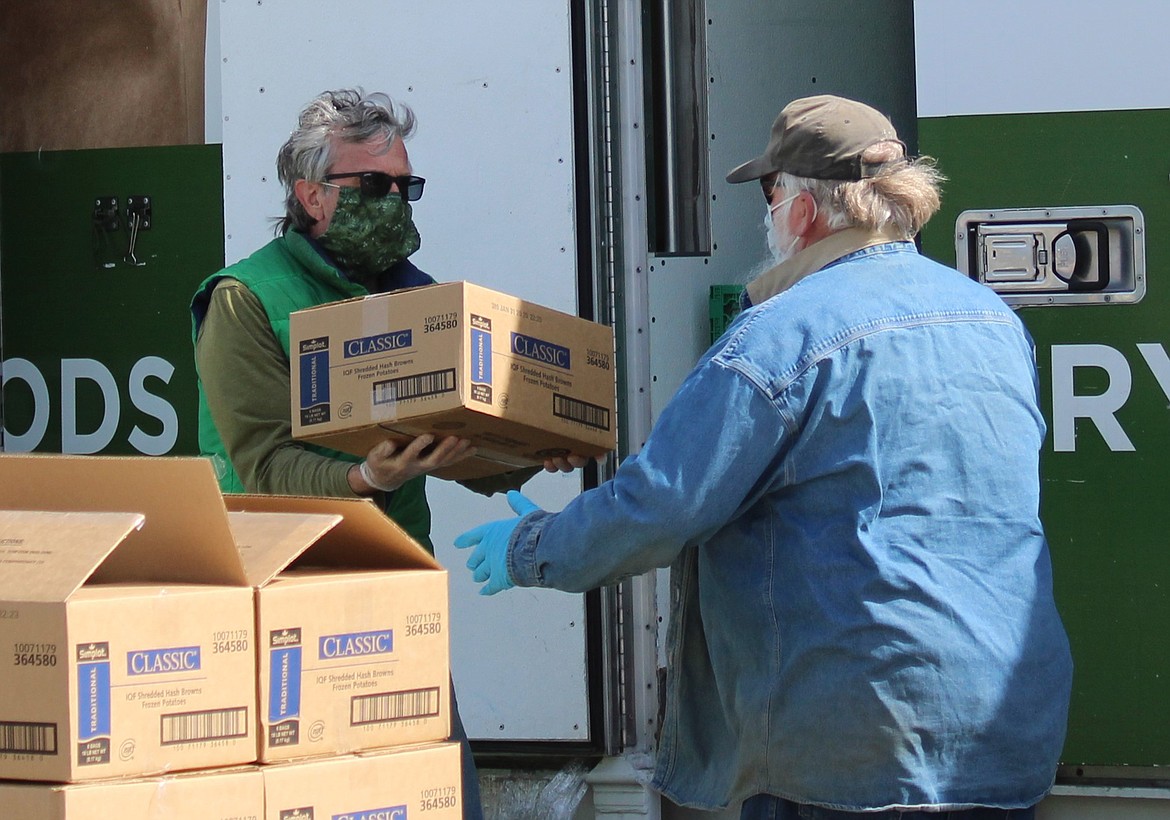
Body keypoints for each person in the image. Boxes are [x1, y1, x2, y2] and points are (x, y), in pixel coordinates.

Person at [454, 95, 1074, 819]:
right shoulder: (991, 319)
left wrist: (533, 547)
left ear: (803, 210)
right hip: (1003, 726)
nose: (767, 214)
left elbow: (662, 503)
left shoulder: (781, 336)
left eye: (769, 192)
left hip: (850, 741)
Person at [191, 87, 526, 820]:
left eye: (406, 186)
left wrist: (532, 450)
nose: (395, 200)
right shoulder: (247, 299)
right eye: (372, 185)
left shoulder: (417, 300)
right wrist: (366, 476)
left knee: (435, 801)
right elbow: (265, 469)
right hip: (285, 608)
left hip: (395, 598)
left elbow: (454, 446)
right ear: (311, 195)